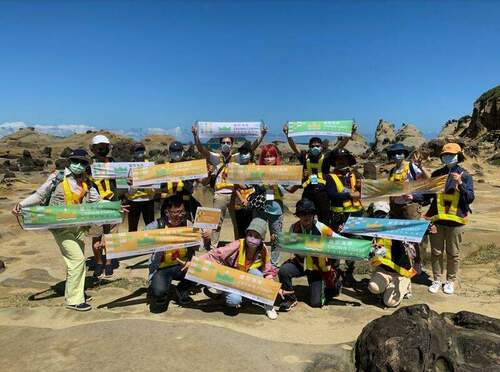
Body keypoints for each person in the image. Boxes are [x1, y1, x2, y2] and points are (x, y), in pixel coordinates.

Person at [12, 149, 101, 311]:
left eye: (83, 163)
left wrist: (115, 208)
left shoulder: (88, 182)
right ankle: (74, 300)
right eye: (76, 161)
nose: (79, 165)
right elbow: (40, 195)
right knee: (77, 260)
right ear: (70, 161)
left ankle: (76, 292)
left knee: (75, 261)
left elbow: (97, 202)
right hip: (60, 227)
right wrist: (21, 205)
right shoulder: (57, 177)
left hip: (79, 228)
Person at [410, 143, 474, 295]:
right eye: (445, 155)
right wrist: (412, 196)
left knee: (453, 253)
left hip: (456, 221)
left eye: (451, 155)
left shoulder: (465, 175)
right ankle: (437, 279)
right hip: (437, 220)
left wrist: (460, 184)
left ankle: (450, 280)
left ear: (458, 156)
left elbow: (470, 198)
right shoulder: (438, 174)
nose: (448, 157)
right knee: (436, 252)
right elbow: (428, 196)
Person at [192, 124, 267, 249]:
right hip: (220, 195)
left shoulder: (236, 157)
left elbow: (252, 148)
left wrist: (262, 135)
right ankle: (213, 247)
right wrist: (195, 136)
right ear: (220, 144)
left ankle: (239, 246)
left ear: (232, 144)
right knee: (216, 223)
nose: (226, 144)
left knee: (237, 223)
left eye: (228, 142)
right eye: (223, 142)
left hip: (235, 195)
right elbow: (201, 150)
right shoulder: (215, 158)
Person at [201, 217, 278, 320]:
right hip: (230, 277)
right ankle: (223, 293)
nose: (252, 239)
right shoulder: (238, 245)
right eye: (250, 235)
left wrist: (274, 290)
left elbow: (268, 272)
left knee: (258, 274)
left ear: (262, 239)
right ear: (246, 235)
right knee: (234, 301)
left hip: (245, 278)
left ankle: (266, 305)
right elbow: (216, 254)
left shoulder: (263, 251)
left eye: (256, 236)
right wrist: (195, 262)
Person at [145, 195, 209, 313]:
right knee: (158, 301)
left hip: (182, 265)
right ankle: (160, 288)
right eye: (176, 212)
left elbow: (199, 247)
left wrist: (205, 238)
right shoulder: (156, 226)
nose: (179, 215)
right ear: (167, 212)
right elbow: (137, 241)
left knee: (201, 270)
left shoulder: (188, 224)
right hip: (161, 268)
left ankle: (181, 290)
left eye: (182, 212)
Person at [278, 199, 342, 311]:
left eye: (309, 213)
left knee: (316, 303)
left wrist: (363, 248)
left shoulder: (322, 229)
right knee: (284, 270)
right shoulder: (294, 228)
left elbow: (340, 241)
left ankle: (335, 280)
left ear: (314, 214)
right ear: (298, 215)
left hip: (317, 267)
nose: (306, 216)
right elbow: (288, 243)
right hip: (300, 263)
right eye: (302, 213)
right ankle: (290, 298)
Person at [386, 143, 430, 274]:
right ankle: (403, 262)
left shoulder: (411, 167)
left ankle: (418, 262)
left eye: (400, 152)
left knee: (414, 236)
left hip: (410, 207)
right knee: (398, 236)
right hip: (395, 207)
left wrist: (422, 167)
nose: (397, 155)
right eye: (394, 153)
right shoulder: (392, 171)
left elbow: (427, 179)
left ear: (404, 154)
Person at [325, 147, 364, 286]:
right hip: (338, 216)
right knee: (336, 245)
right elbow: (331, 194)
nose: (341, 162)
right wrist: (349, 195)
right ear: (334, 162)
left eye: (344, 159)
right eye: (338, 160)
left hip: (355, 215)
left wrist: (361, 187)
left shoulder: (356, 175)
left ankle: (349, 272)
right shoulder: (330, 177)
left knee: (352, 245)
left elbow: (366, 190)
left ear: (348, 160)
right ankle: (334, 273)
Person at [367, 201, 414, 308]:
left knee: (390, 303)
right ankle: (386, 285)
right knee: (373, 287)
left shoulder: (398, 229)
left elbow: (414, 230)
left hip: (400, 272)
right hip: (383, 270)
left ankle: (406, 285)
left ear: (389, 214)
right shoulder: (372, 228)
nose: (380, 218)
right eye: (377, 214)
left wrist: (429, 230)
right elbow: (358, 238)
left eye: (383, 215)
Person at [283, 125, 331, 224]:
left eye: (317, 146)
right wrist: (288, 135)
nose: (315, 148)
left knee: (324, 220)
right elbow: (294, 147)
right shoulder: (305, 157)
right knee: (305, 217)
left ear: (321, 147)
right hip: (308, 193)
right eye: (313, 146)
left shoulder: (326, 157)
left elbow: (339, 147)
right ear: (309, 147)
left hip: (323, 193)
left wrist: (348, 135)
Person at [89, 134, 118, 278]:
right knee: (96, 235)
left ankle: (109, 263)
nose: (102, 149)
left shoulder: (113, 162)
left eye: (105, 147)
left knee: (110, 235)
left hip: (112, 203)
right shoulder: (88, 165)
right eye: (100, 147)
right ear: (93, 149)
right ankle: (99, 262)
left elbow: (120, 180)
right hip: (96, 204)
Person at [254, 144, 285, 268]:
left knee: (276, 237)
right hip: (260, 207)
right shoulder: (258, 171)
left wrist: (276, 184)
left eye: (271, 156)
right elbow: (253, 186)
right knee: (257, 235)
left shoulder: (282, 171)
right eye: (266, 156)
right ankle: (257, 261)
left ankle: (273, 264)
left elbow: (284, 191)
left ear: (276, 157)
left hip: (276, 208)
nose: (268, 159)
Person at [159, 141, 201, 221]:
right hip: (169, 203)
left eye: (178, 151)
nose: (176, 153)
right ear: (170, 152)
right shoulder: (164, 168)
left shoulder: (188, 167)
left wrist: (180, 183)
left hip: (185, 203)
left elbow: (190, 188)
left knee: (186, 227)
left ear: (182, 152)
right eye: (174, 151)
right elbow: (161, 186)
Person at [125, 142, 156, 232]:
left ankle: (151, 246)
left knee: (150, 228)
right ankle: (133, 245)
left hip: (148, 199)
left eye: (141, 150)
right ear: (133, 152)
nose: (140, 152)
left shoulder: (151, 165)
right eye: (137, 150)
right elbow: (125, 183)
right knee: (132, 228)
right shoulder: (129, 166)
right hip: (133, 200)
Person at [231, 142, 255, 239]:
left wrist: (249, 199)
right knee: (240, 229)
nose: (243, 155)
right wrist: (242, 199)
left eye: (246, 152)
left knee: (251, 229)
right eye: (241, 153)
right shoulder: (236, 168)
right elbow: (235, 186)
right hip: (239, 203)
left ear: (250, 154)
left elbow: (257, 186)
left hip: (252, 202)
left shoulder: (255, 167)